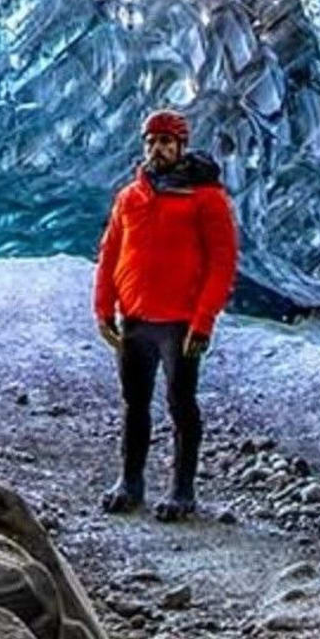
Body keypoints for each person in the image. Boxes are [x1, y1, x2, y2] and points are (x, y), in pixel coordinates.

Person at [92, 106, 234, 520]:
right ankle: (130, 482)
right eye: (151, 142)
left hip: (180, 324)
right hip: (135, 321)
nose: (158, 149)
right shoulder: (129, 197)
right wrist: (104, 309)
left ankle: (182, 490)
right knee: (134, 404)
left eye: (166, 142)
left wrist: (203, 320)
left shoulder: (206, 199)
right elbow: (109, 253)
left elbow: (221, 263)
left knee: (180, 403)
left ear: (181, 147)